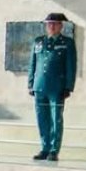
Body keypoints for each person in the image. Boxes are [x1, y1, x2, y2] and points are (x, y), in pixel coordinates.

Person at [28, 12, 77, 162]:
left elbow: (71, 66)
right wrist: (31, 84)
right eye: (49, 24)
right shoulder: (38, 41)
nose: (51, 26)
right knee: (42, 119)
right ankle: (45, 148)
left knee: (56, 119)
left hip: (57, 87)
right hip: (40, 86)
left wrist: (68, 86)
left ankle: (54, 150)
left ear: (61, 26)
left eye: (55, 23)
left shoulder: (67, 42)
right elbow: (33, 64)